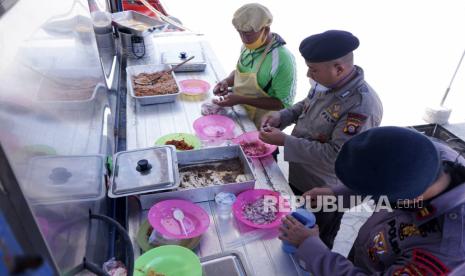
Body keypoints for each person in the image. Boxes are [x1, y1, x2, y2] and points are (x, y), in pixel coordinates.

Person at [279, 126, 465, 275]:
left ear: (409, 199)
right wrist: (335, 195)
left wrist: (310, 247)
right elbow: (383, 175)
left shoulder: (445, 250)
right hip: (370, 252)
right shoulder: (426, 153)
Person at [259, 30, 383, 248]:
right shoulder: (326, 82)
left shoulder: (361, 106)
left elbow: (336, 155)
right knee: (294, 226)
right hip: (302, 176)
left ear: (339, 68)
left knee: (317, 239)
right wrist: (281, 116)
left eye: (313, 69)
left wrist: (285, 141)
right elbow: (304, 106)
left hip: (328, 188)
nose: (309, 74)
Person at [212, 3, 296, 128]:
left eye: (248, 34)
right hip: (240, 112)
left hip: (262, 124)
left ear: (265, 30)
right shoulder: (247, 47)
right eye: (239, 33)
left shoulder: (282, 59)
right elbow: (240, 71)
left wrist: (241, 99)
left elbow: (283, 104)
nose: (243, 39)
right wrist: (226, 82)